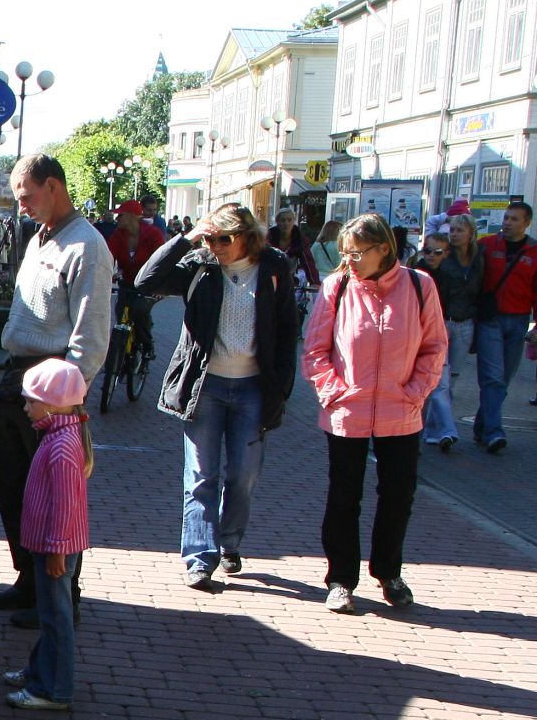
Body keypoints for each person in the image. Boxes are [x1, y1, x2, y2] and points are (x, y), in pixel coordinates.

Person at [136, 203, 300, 590]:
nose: (217, 246)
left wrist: (283, 387)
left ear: (246, 236)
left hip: (253, 388)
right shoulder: (200, 264)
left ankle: (228, 543)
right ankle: (199, 556)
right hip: (205, 385)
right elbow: (147, 281)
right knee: (201, 475)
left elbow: (288, 328)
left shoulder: (274, 266)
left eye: (223, 239)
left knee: (243, 474)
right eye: (211, 238)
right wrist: (188, 238)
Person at [0, 155, 114, 628]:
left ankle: (60, 599)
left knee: (53, 496)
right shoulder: (40, 238)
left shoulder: (87, 247)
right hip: (17, 377)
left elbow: (91, 335)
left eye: (27, 196)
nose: (22, 207)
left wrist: (66, 403)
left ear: (54, 186)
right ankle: (29, 583)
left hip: (52, 385)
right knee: (15, 490)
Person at [302, 213, 447, 614]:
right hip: (348, 411)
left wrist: (416, 392)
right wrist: (334, 392)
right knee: (344, 496)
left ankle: (389, 572)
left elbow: (435, 346)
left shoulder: (420, 285)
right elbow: (315, 350)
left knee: (398, 495)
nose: (348, 260)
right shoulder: (338, 286)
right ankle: (341, 580)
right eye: (345, 253)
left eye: (356, 253)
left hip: (401, 412)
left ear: (384, 249)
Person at [5, 359, 91, 712]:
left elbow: (65, 506)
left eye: (30, 401)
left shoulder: (61, 446)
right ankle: (40, 671)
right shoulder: (59, 436)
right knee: (50, 615)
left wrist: (56, 550)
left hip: (55, 548)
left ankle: (54, 688)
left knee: (57, 618)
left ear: (53, 402)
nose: (25, 408)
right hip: (49, 545)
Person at [472, 199, 537, 453]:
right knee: (492, 379)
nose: (507, 223)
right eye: (507, 217)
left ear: (527, 223)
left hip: (519, 320)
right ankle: (493, 432)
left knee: (503, 380)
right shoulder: (487, 245)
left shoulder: (534, 252)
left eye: (514, 219)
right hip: (491, 320)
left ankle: (481, 426)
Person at [417, 224, 480, 453]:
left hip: (449, 328)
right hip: (426, 333)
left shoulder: (450, 274)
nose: (431, 256)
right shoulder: (416, 274)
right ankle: (443, 431)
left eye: (437, 252)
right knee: (437, 384)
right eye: (428, 251)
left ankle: (435, 431)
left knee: (443, 383)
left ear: (446, 254)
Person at [105, 199, 165, 356]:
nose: (117, 219)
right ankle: (117, 359)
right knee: (121, 313)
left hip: (149, 284)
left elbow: (162, 261)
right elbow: (107, 257)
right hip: (127, 282)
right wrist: (106, 273)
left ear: (132, 216)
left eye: (121, 216)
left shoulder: (153, 234)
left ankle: (147, 345)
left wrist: (159, 287)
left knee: (140, 311)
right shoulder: (118, 235)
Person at [264, 208, 318, 285]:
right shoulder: (268, 238)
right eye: (283, 220)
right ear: (277, 222)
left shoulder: (300, 239)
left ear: (294, 221)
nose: (286, 223)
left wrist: (314, 282)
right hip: (268, 279)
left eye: (289, 220)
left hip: (289, 280)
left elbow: (308, 262)